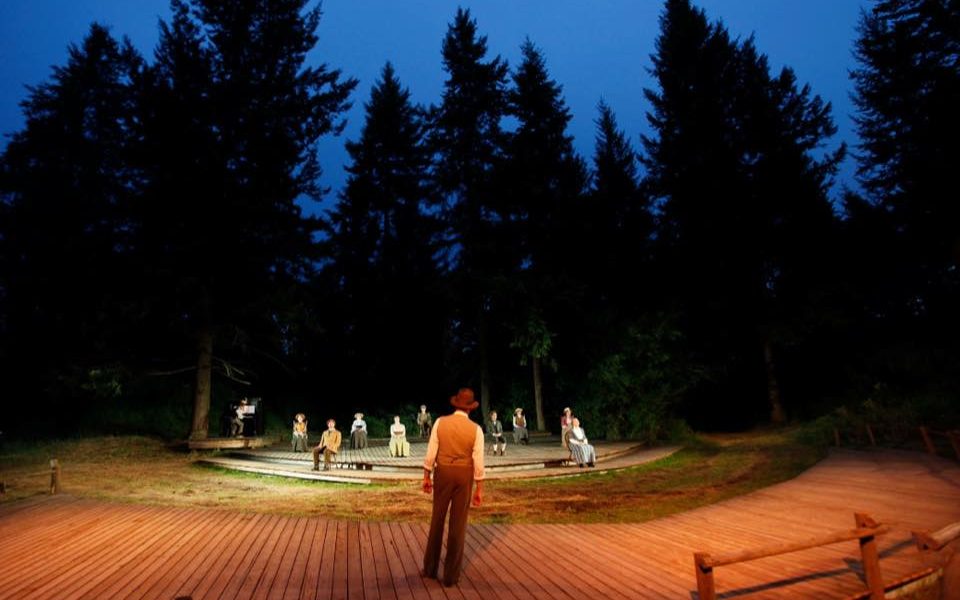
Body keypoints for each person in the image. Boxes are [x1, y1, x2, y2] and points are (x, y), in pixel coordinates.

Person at [422, 388, 484, 587]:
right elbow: (479, 461)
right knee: (458, 524)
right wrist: (479, 488)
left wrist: (426, 476)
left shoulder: (440, 422)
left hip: (443, 473)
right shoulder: (476, 430)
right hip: (464, 474)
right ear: (470, 408)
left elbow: (431, 452)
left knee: (437, 519)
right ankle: (450, 576)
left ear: (456, 404)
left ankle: (430, 569)